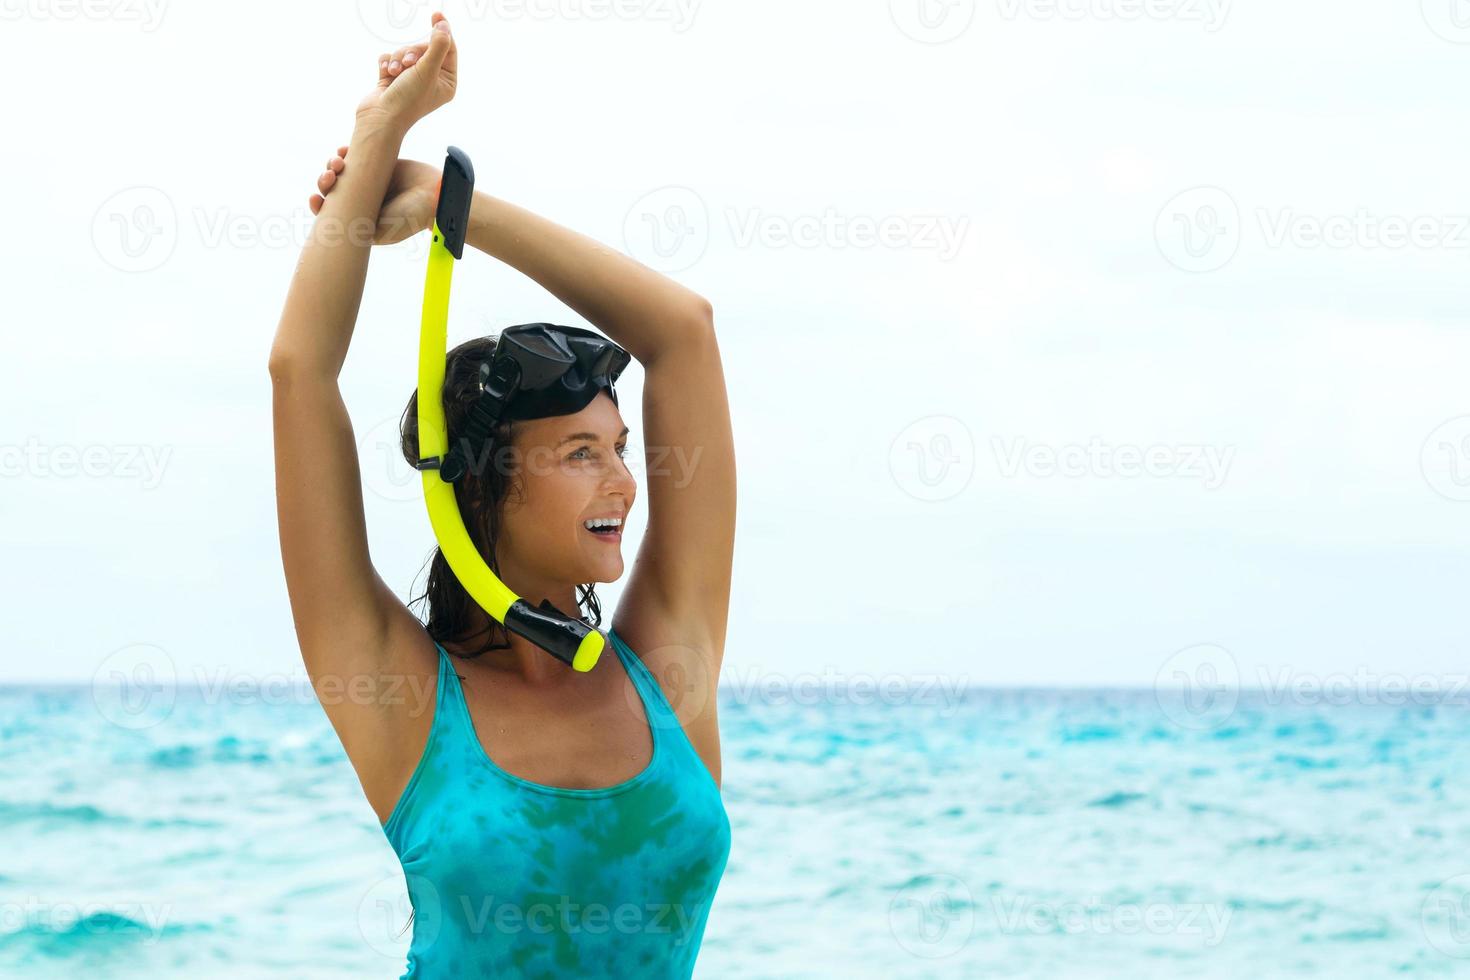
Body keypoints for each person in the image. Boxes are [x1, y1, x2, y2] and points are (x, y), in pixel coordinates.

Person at [267, 13, 735, 977]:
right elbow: (299, 372)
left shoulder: (667, 668)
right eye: (577, 453)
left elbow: (683, 333)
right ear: (483, 486)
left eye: (619, 446)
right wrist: (376, 146)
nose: (624, 482)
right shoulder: (402, 695)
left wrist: (454, 204)